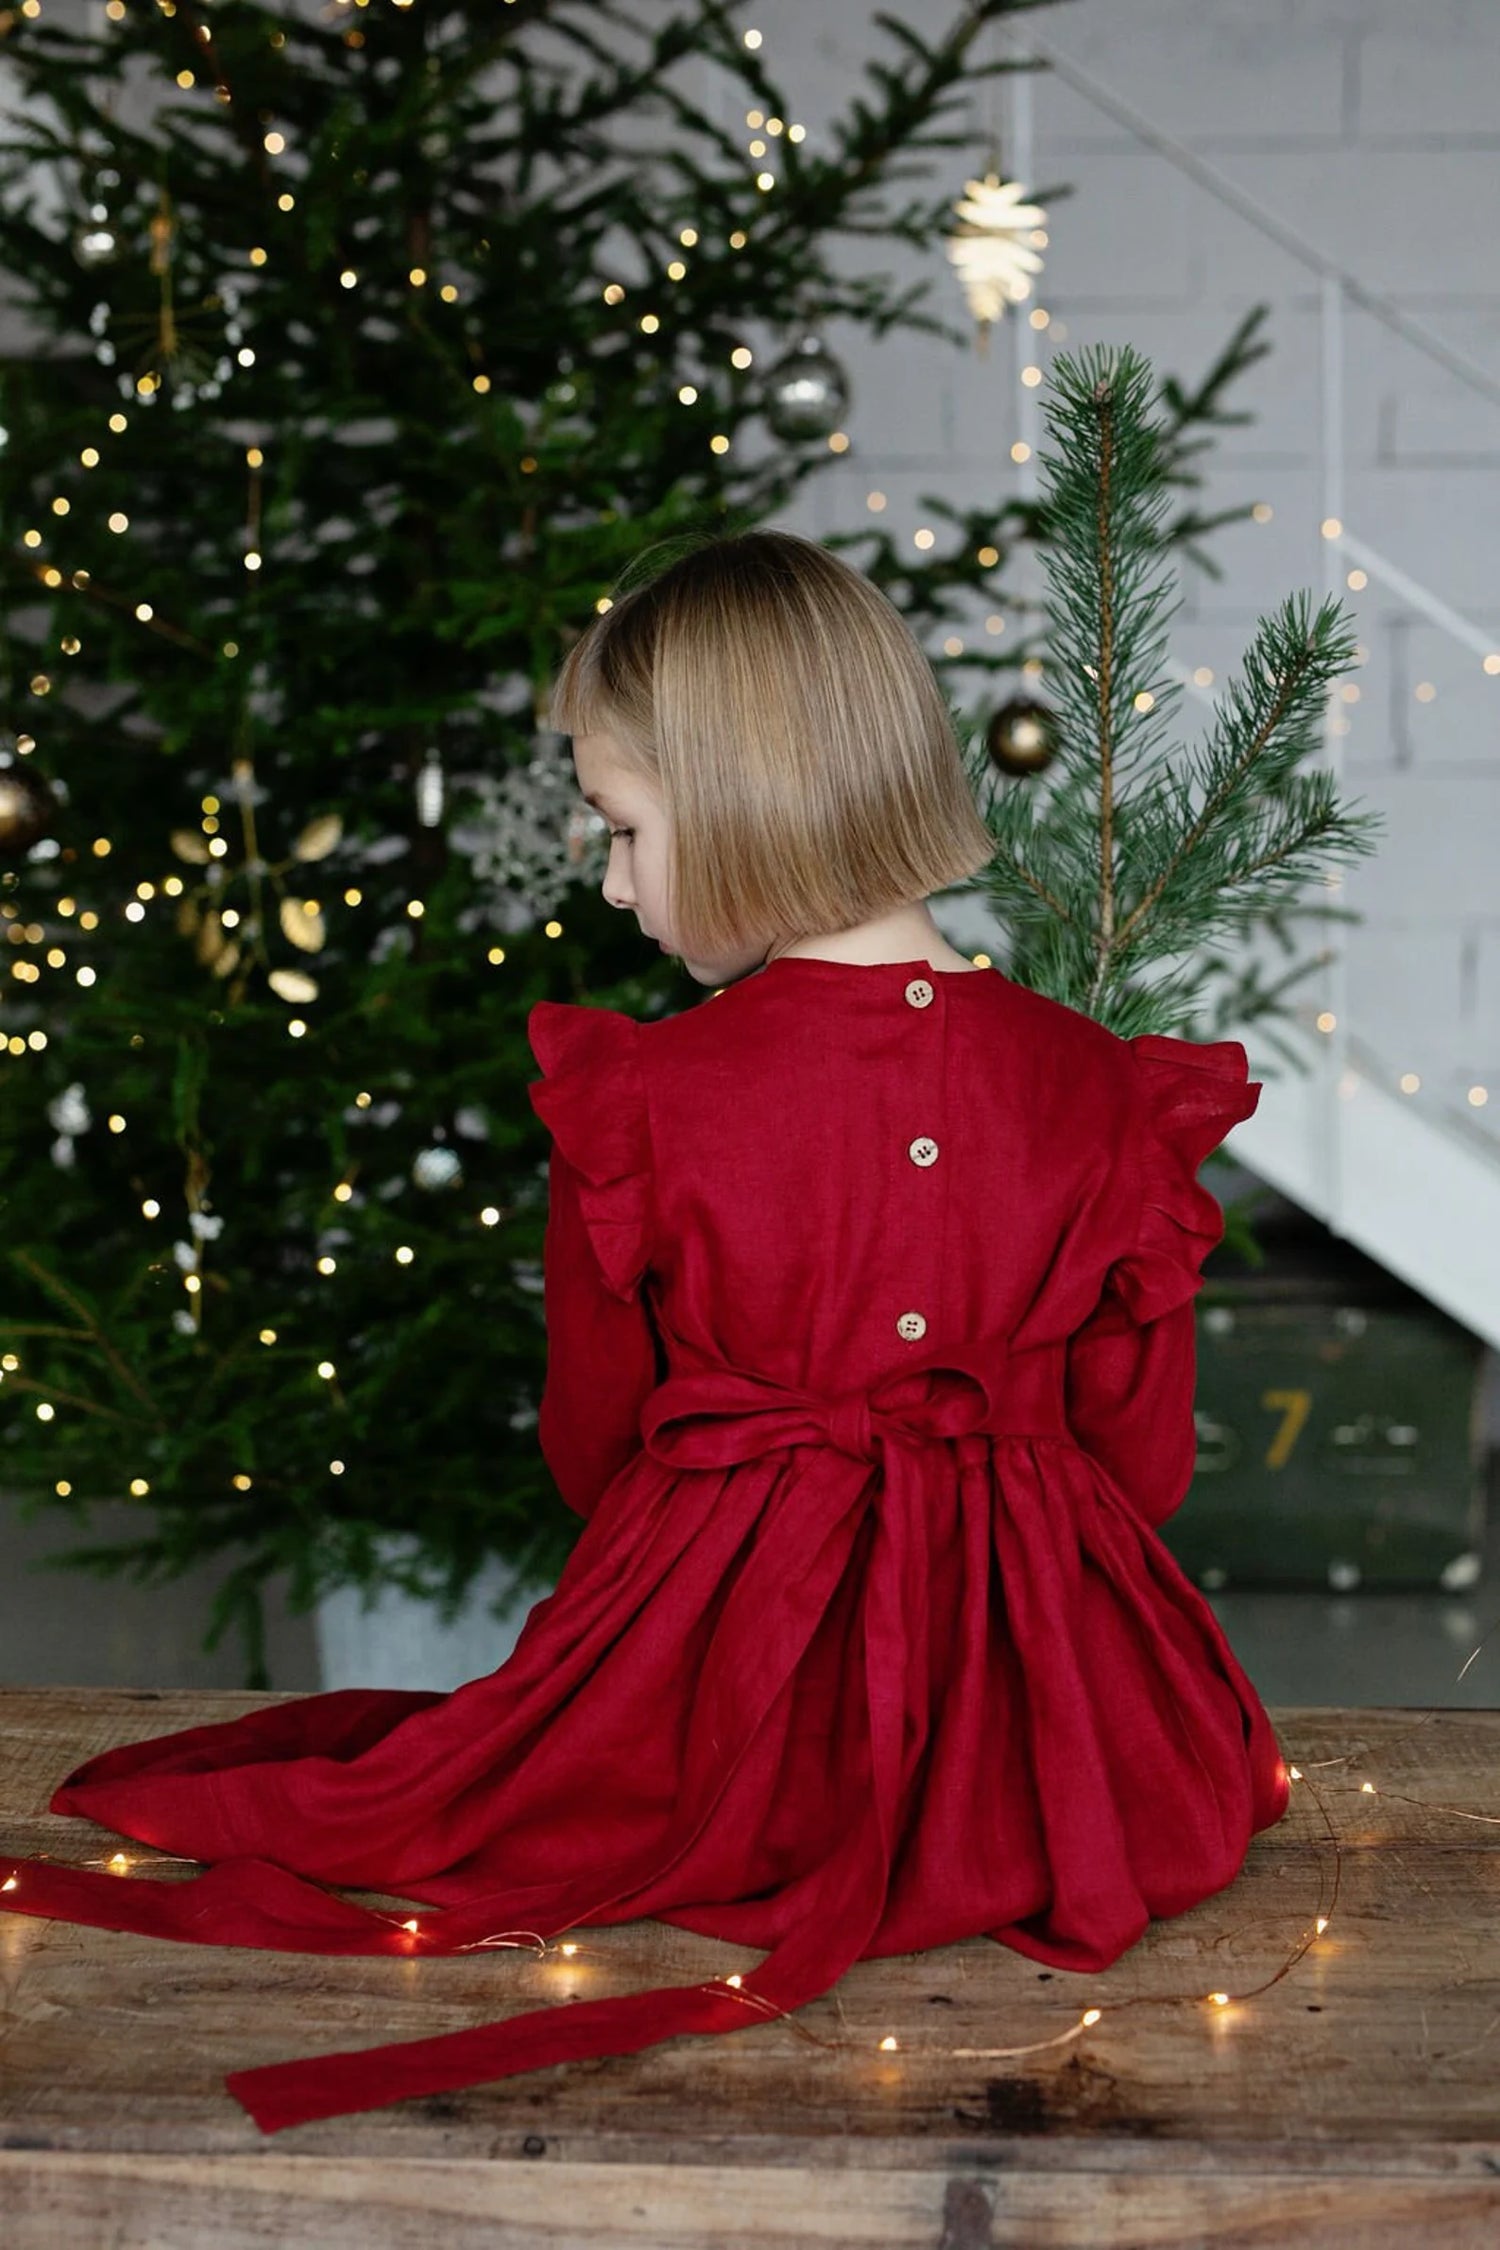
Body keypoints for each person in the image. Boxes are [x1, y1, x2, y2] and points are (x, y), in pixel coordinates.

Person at [0, 528, 1292, 2134]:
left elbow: (597, 1445)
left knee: (470, 1794)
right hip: (1056, 1737)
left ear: (745, 801)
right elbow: (1142, 1463)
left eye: (622, 828)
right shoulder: (1105, 1089)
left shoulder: (648, 1100)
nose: (610, 880)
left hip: (720, 1709)